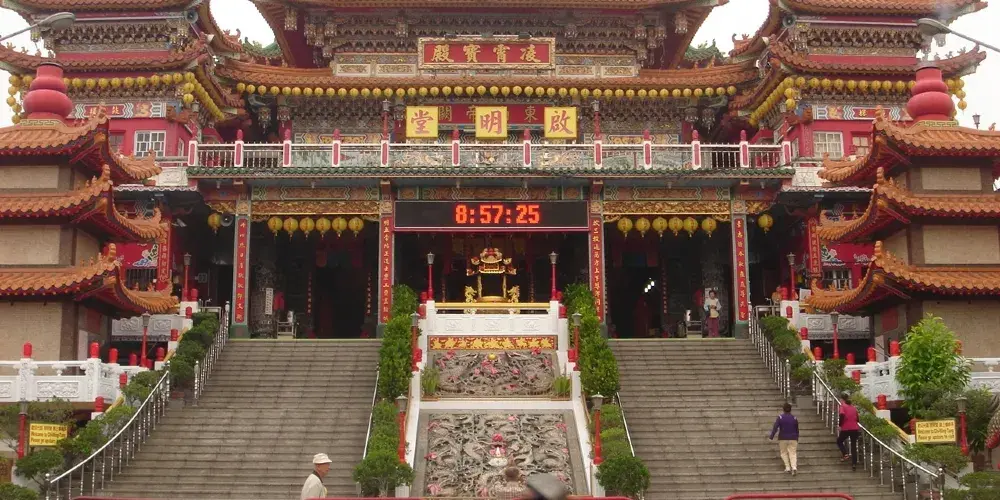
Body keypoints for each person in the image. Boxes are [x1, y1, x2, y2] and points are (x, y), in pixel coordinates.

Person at [769, 403, 800, 475]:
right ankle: (794, 467)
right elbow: (797, 429)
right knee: (793, 453)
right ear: (790, 409)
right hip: (793, 438)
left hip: (783, 437)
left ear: (783, 409)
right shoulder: (794, 418)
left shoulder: (780, 417)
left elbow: (775, 427)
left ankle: (788, 467)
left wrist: (771, 437)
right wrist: (797, 437)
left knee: (783, 453)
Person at [837, 394, 861, 470]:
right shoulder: (853, 407)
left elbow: (842, 415)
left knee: (839, 441)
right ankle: (854, 464)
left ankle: (845, 454)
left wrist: (840, 425)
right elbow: (857, 419)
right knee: (853, 446)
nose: (840, 401)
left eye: (840, 399)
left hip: (846, 428)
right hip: (854, 429)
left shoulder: (842, 406)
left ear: (842, 400)